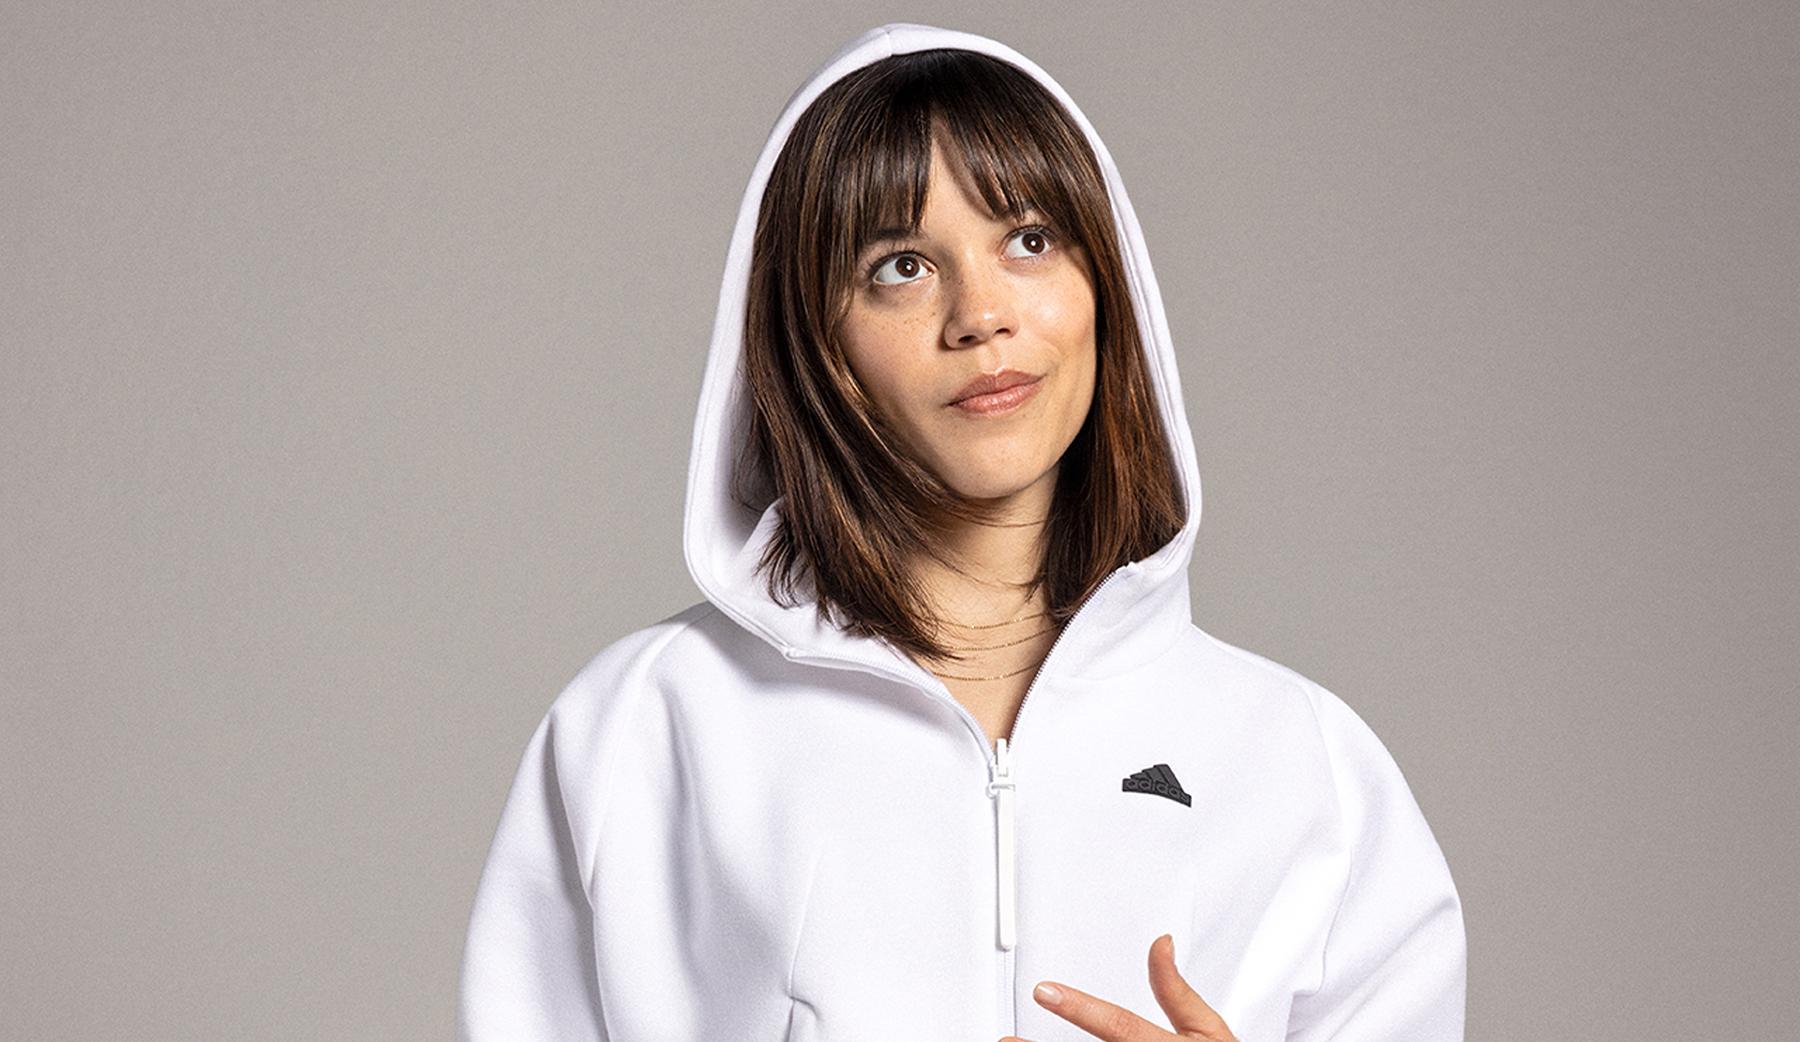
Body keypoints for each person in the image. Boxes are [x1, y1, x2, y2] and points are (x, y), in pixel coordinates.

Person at [457, 22, 1466, 1042]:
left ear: (1105, 285)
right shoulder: (645, 729)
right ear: (813, 343)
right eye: (900, 265)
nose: (981, 315)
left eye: (1030, 240)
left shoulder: (1302, 762)